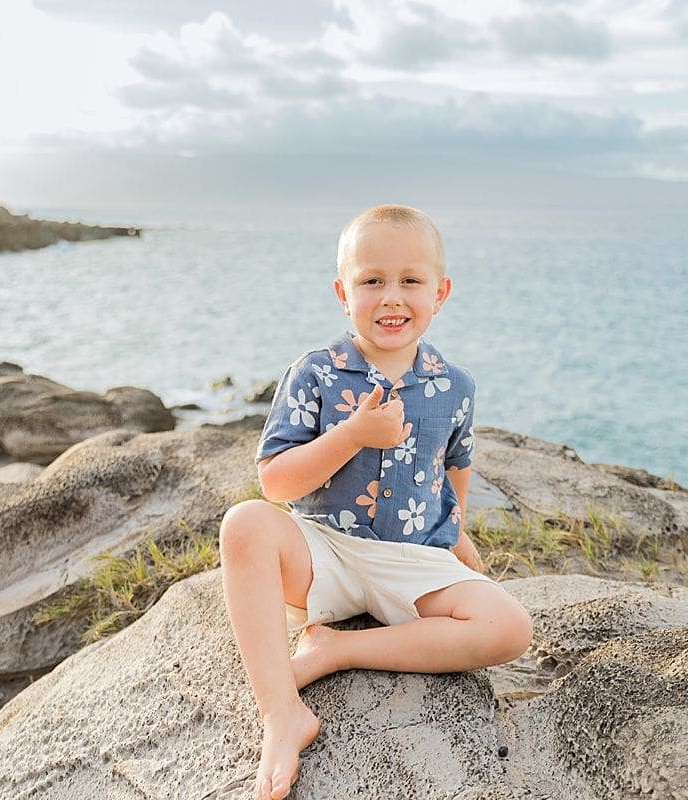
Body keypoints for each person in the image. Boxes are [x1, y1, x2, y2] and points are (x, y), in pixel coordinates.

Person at [219, 204, 533, 800]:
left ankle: (336, 648)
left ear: (440, 293)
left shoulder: (455, 385)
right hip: (323, 552)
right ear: (343, 292)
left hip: (413, 559)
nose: (392, 297)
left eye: (411, 281)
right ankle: (281, 713)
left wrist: (458, 531)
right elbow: (276, 483)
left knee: (509, 626)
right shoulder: (315, 373)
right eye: (372, 281)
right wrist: (352, 435)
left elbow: (453, 463)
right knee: (244, 525)